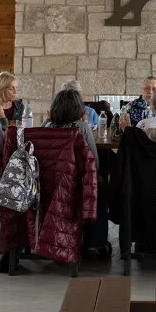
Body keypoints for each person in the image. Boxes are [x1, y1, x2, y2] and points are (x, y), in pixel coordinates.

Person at [47, 81, 110, 258]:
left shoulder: (47, 128)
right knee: (102, 189)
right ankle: (95, 243)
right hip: (77, 185)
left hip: (50, 184)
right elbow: (93, 162)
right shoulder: (82, 128)